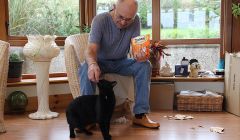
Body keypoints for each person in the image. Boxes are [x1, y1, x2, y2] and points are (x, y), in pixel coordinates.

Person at [78, 0, 160, 129]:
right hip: (101, 62)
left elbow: (135, 49)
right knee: (85, 67)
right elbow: (91, 49)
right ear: (114, 7)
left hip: (121, 62)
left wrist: (140, 54)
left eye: (128, 19)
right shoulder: (100, 20)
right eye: (120, 17)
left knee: (145, 66)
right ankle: (88, 117)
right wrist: (93, 64)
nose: (123, 22)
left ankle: (139, 115)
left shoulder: (136, 21)